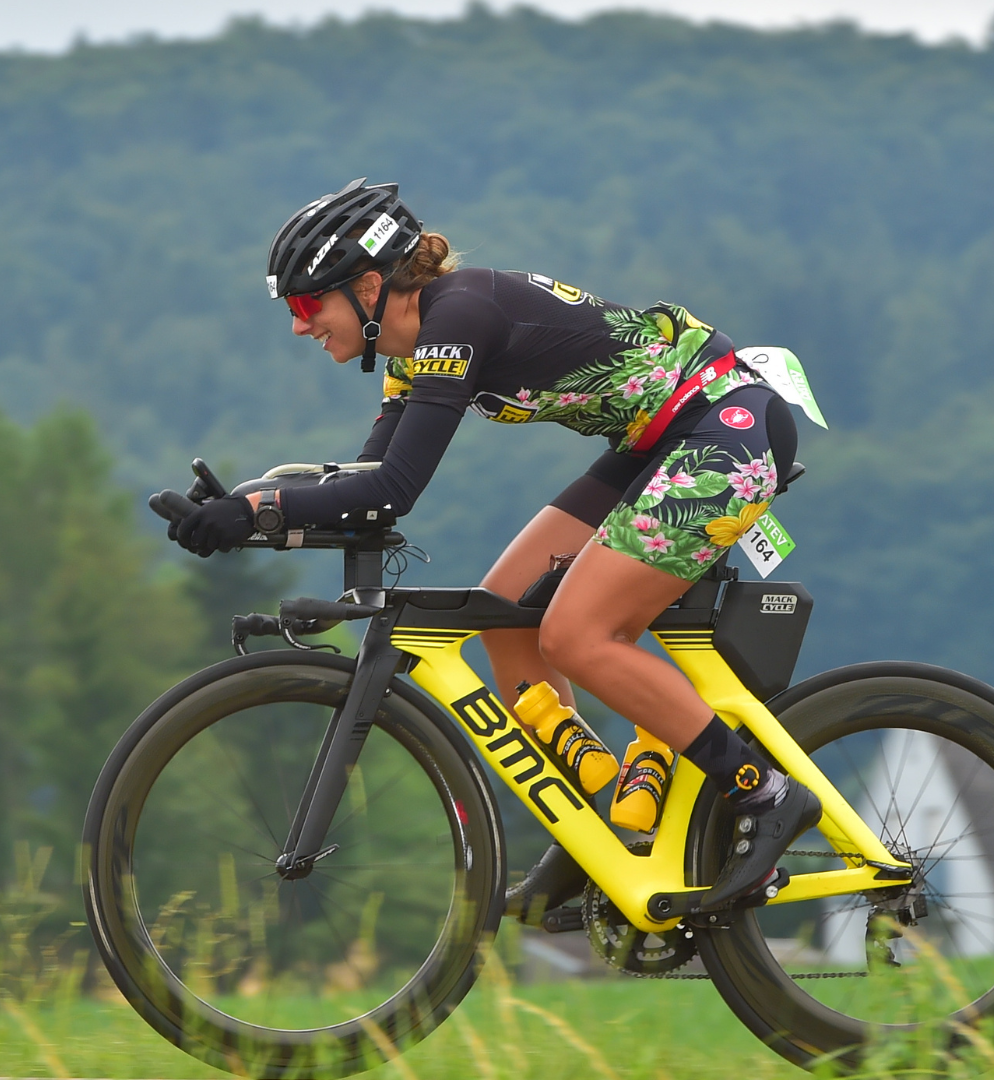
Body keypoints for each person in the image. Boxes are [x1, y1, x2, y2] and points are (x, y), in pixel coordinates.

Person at [172, 177, 822, 916]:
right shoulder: (411, 354)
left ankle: (762, 791)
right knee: (504, 617)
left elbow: (395, 489)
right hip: (657, 443)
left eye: (304, 304)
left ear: (371, 285)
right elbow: (363, 487)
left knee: (575, 636)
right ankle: (593, 841)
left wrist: (257, 509)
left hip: (724, 428)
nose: (298, 326)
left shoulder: (461, 317)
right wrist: (248, 507)